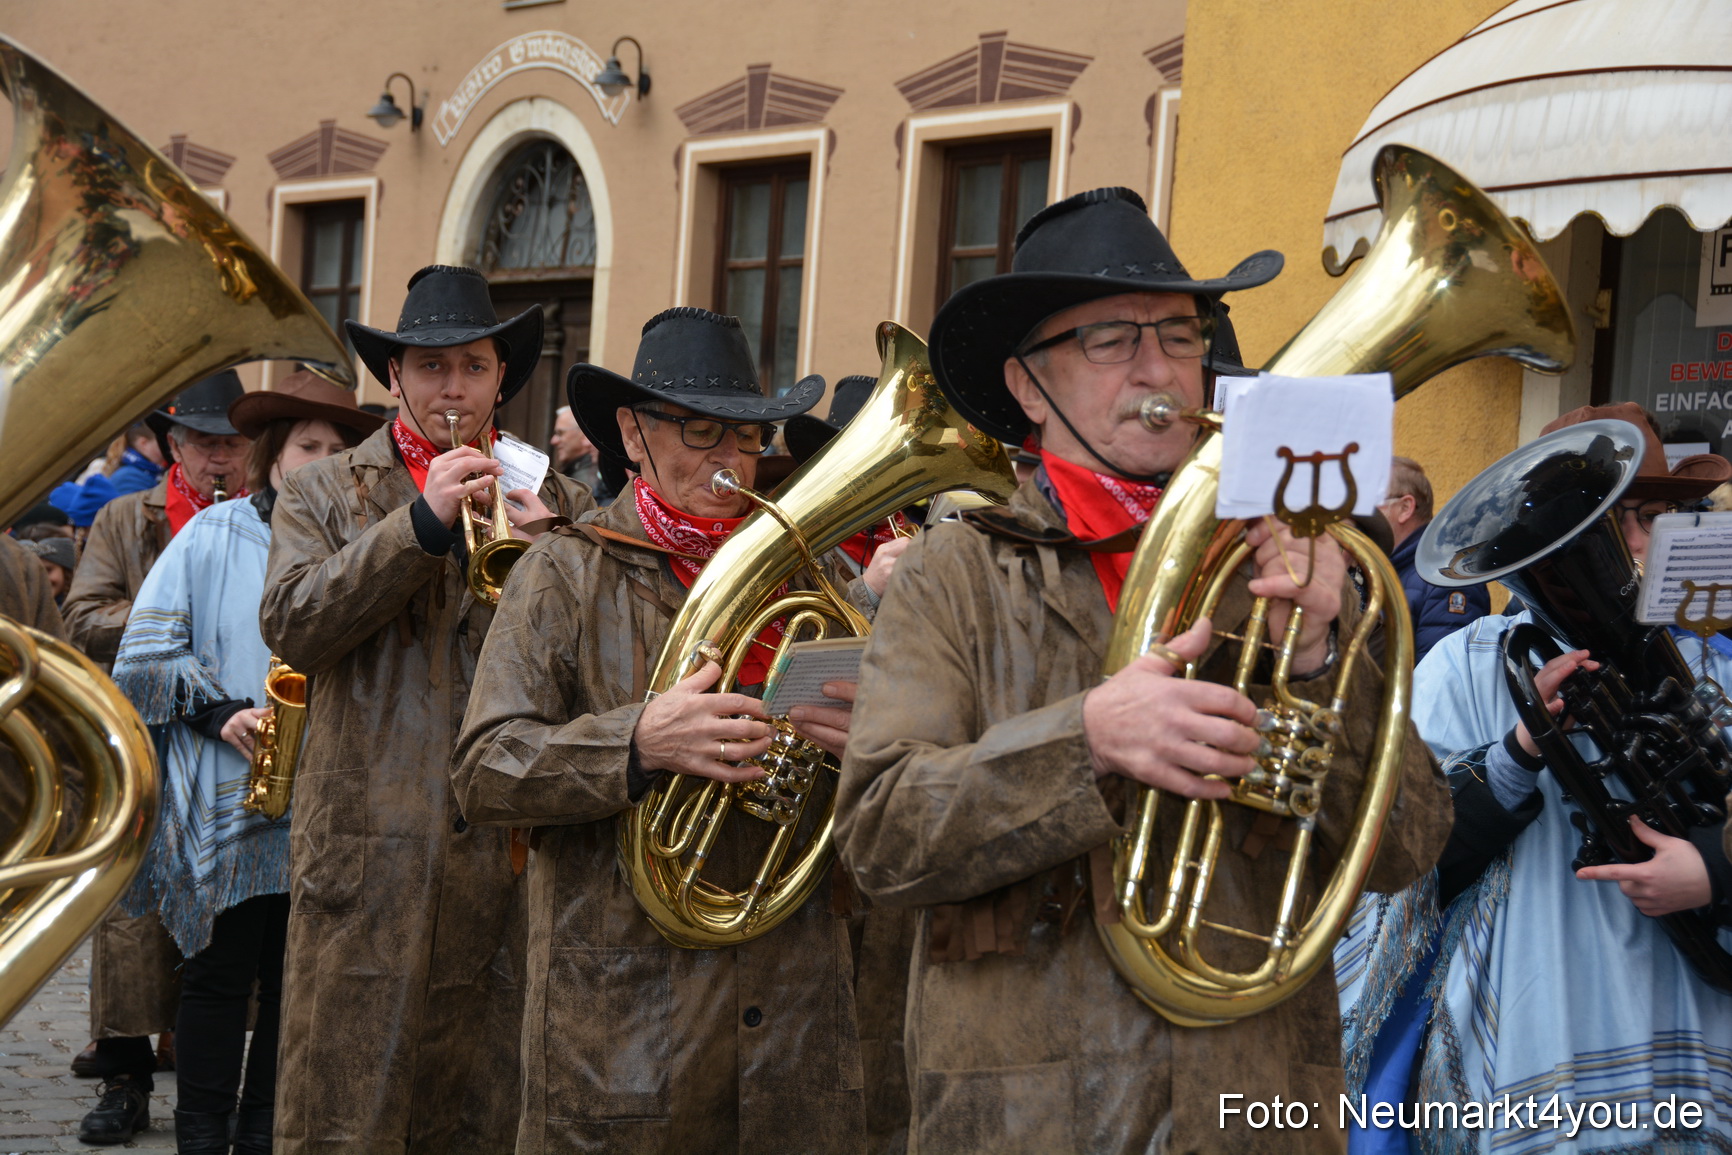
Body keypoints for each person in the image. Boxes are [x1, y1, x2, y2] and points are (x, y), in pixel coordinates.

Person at [832, 187, 1453, 1154]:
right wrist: (1087, 742)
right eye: (1112, 340)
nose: (1161, 367)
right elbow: (878, 836)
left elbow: (1410, 848)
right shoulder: (954, 573)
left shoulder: (1291, 557)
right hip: (1029, 1118)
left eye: (1180, 333)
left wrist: (1327, 655)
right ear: (1030, 387)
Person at [454, 306, 903, 1153]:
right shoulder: (565, 569)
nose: (730, 459)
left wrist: (871, 737)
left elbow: (903, 756)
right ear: (631, 432)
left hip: (795, 1004)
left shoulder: (822, 568)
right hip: (622, 1015)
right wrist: (636, 743)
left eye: (744, 437)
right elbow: (484, 766)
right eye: (700, 432)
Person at [1338, 403, 1732, 1154]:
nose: (1643, 544)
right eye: (1621, 522)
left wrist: (1711, 866)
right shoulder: (1465, 665)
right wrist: (1520, 750)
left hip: (1692, 1012)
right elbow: (1396, 856)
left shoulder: (1716, 656)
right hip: (1536, 1015)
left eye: (1653, 518)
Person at [260, 265, 591, 1154]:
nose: (455, 389)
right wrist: (419, 524)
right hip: (370, 851)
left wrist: (558, 560)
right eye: (434, 368)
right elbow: (293, 624)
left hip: (501, 860)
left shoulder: (559, 500)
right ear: (395, 377)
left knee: (483, 1107)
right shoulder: (323, 490)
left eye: (475, 368)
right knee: (345, 1107)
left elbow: (600, 672)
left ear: (501, 379)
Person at [111, 373, 381, 1155]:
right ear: (270, 456)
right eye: (306, 445)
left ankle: (264, 1131)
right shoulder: (214, 532)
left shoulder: (365, 543)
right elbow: (146, 650)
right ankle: (201, 1136)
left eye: (335, 449)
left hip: (328, 793)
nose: (320, 460)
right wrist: (223, 711)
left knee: (297, 982)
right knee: (218, 977)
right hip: (229, 780)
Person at [60, 369, 249, 1145]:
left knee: (224, 912)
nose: (220, 458)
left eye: (233, 444)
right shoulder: (124, 516)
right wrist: (168, 617)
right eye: (205, 442)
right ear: (175, 445)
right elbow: (82, 615)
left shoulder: (263, 516)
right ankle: (126, 1077)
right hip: (146, 738)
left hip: (229, 737)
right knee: (133, 914)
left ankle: (209, 1076)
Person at [1378, 455, 1488, 662]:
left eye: (1371, 501)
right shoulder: (1376, 568)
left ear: (1405, 508)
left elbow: (1438, 680)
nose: (1359, 513)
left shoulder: (1446, 579)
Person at [551, 403, 604, 493]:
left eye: (560, 433)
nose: (553, 441)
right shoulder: (577, 473)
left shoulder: (585, 482)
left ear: (583, 433)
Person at [108, 421, 168, 496]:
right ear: (144, 444)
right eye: (160, 442)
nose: (165, 446)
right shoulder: (128, 478)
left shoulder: (145, 473)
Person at [18, 535, 76, 602]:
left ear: (66, 572)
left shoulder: (81, 609)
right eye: (29, 572)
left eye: (47, 570)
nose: (39, 579)